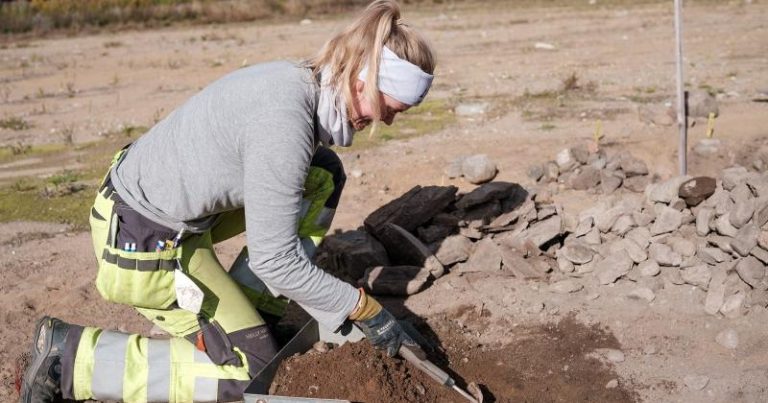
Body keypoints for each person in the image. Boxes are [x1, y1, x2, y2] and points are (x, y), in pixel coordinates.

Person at [18, 1, 435, 402]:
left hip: (171, 219)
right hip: (143, 243)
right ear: (363, 81)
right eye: (390, 107)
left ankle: (255, 309)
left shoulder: (301, 85)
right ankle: (70, 358)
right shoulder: (284, 123)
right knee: (251, 370)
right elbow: (276, 259)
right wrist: (363, 309)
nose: (388, 120)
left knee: (321, 173)